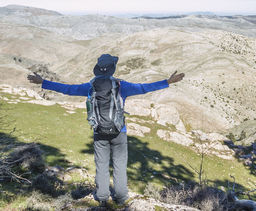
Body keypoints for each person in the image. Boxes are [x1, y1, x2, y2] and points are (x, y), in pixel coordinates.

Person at [27, 54, 184, 207]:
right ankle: (121, 197)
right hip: (119, 131)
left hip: (99, 132)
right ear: (112, 69)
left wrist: (43, 82)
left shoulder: (90, 87)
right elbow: (144, 88)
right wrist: (168, 81)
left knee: (101, 164)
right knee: (120, 164)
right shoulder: (122, 86)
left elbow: (67, 89)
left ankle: (102, 196)